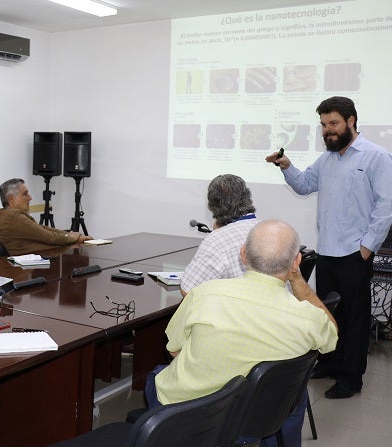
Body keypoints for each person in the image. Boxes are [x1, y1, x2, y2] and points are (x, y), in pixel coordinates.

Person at [146, 220, 338, 447]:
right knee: (296, 398)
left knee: (157, 376)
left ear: (243, 255)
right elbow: (331, 335)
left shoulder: (203, 295)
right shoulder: (308, 318)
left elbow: (174, 350)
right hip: (258, 422)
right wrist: (296, 277)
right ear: (296, 261)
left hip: (187, 420)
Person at [265, 96, 392, 399]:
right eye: (323, 125)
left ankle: (350, 379)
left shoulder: (376, 157)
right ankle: (331, 363)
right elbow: (306, 184)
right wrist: (286, 165)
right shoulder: (327, 159)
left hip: (354, 253)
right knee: (327, 314)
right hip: (328, 252)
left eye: (333, 123)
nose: (327, 130)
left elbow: (386, 207)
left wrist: (366, 248)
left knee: (355, 318)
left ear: (351, 121)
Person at [180, 174, 259, 297]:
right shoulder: (266, 230)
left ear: (213, 206)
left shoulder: (217, 241)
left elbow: (189, 292)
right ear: (248, 198)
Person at [0, 178, 93, 255]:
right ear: (11, 199)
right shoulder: (13, 217)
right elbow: (49, 237)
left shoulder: (10, 215)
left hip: (40, 260)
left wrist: (69, 235)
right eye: (25, 194)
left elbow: (42, 229)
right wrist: (73, 238)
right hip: (25, 269)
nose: (30, 198)